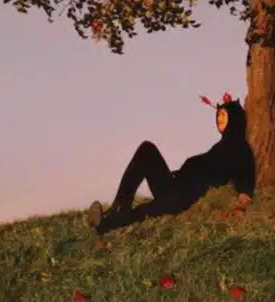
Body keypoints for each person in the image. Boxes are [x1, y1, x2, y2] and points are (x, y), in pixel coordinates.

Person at [87, 92, 255, 235]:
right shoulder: (218, 147)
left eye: (223, 115)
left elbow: (245, 173)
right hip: (174, 185)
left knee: (143, 212)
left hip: (183, 196)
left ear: (235, 118)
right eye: (218, 115)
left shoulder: (239, 147)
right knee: (147, 149)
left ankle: (104, 226)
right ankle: (121, 205)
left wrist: (243, 198)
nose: (218, 119)